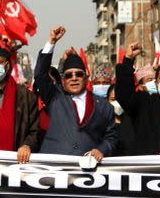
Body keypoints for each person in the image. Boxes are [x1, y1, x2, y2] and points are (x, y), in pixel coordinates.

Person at [33, 26, 117, 161]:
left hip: (87, 171)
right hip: (54, 167)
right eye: (68, 75)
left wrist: (101, 149)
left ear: (86, 78)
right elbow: (40, 74)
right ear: (63, 80)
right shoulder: (55, 97)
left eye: (78, 74)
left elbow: (111, 137)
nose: (74, 78)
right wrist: (51, 43)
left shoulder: (104, 106)